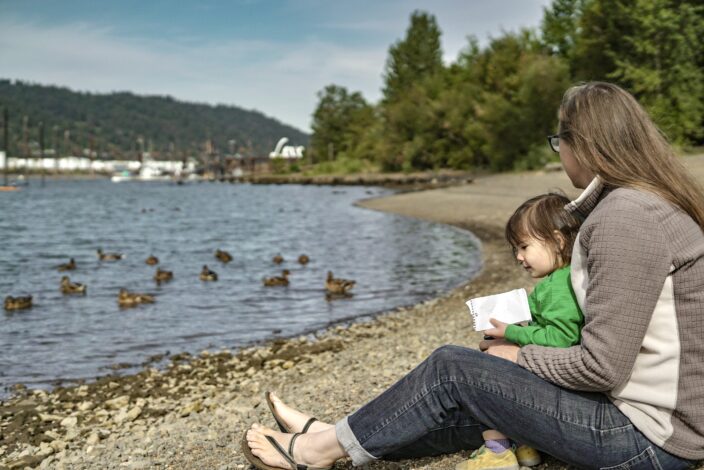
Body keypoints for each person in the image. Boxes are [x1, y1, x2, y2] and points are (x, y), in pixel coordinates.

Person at [243, 82, 704, 470]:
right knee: (470, 399)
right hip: (653, 421)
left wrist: (517, 356)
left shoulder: (628, 218)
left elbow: (603, 365)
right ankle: (336, 436)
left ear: (582, 143)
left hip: (648, 438)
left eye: (558, 141)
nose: (559, 151)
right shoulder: (640, 204)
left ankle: (315, 451)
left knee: (453, 369)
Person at [456, 192, 584, 470]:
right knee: (498, 347)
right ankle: (525, 445)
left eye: (524, 247)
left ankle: (497, 451)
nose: (519, 257)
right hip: (558, 374)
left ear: (558, 241)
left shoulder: (559, 287)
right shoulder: (562, 279)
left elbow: (561, 339)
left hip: (559, 377)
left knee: (489, 368)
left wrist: (514, 335)